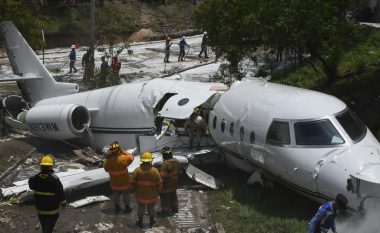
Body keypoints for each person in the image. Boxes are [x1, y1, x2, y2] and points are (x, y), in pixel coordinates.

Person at [28, 155, 66, 233]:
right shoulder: (54, 179)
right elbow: (60, 192)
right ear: (51, 166)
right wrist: (64, 203)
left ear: (40, 166)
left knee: (44, 224)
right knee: (49, 226)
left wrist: (33, 177)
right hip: (52, 210)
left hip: (40, 209)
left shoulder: (35, 178)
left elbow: (31, 186)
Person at [130, 152, 162, 229]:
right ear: (151, 160)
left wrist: (132, 190)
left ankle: (140, 222)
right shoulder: (155, 171)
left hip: (140, 195)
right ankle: (151, 221)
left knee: (141, 207)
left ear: (142, 160)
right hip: (152, 195)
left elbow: (132, 182)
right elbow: (159, 183)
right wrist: (159, 191)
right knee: (151, 208)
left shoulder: (137, 170)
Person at [103, 141, 134, 214]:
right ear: (118, 149)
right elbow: (131, 157)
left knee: (115, 194)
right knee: (126, 194)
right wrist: (124, 152)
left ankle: (117, 207)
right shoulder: (123, 159)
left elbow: (106, 169)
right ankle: (127, 208)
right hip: (124, 181)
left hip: (114, 182)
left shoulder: (107, 161)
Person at [158, 146, 181, 216]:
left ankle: (165, 211)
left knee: (165, 198)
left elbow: (162, 176)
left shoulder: (164, 164)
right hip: (174, 183)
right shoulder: (176, 161)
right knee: (173, 196)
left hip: (166, 185)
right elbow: (179, 171)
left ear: (164, 155)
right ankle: (175, 209)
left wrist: (160, 185)